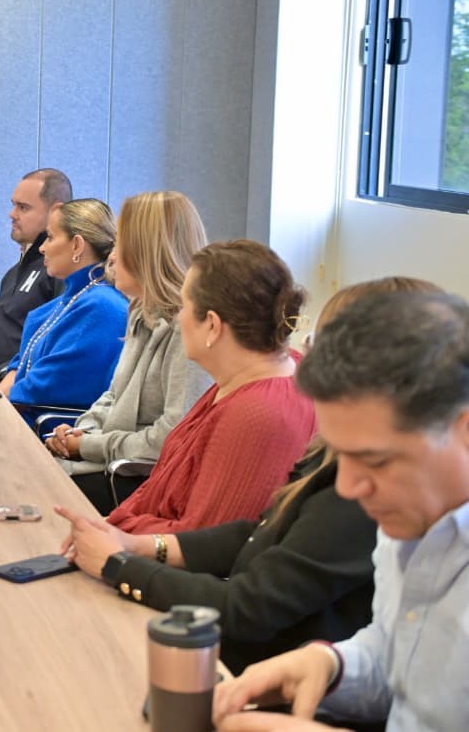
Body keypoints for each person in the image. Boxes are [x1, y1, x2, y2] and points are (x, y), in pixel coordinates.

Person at [56, 279, 438, 675]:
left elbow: (251, 607)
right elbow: (261, 530)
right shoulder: (330, 451)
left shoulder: (360, 487)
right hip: (254, 653)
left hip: (256, 666)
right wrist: (142, 546)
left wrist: (118, 565)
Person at [211, 290, 469, 732]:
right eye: (341, 454)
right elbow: (398, 655)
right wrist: (332, 665)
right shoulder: (409, 516)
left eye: (375, 460)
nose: (348, 487)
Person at [101, 240, 316, 534]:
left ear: (212, 325)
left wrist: (116, 532)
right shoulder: (244, 377)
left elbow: (199, 542)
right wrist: (112, 524)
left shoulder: (255, 413)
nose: (179, 316)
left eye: (185, 305)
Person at [44, 191, 212, 512]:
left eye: (121, 243)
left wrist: (88, 445)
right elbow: (113, 396)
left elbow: (171, 438)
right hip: (108, 461)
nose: (111, 256)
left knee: (27, 486)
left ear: (147, 252)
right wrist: (80, 431)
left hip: (137, 479)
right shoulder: (141, 310)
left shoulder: (189, 329)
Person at [0, 198, 128, 412]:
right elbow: (23, 363)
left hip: (44, 426)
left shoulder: (101, 307)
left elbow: (48, 386)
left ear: (77, 245)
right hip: (22, 412)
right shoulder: (75, 297)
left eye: (50, 237)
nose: (42, 248)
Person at [0, 168, 70, 371]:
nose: (12, 214)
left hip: (9, 382)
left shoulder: (60, 273)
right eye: (13, 205)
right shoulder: (13, 273)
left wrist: (0, 375)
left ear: (55, 212)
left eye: (23, 208)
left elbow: (52, 352)